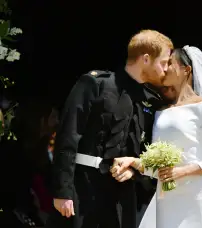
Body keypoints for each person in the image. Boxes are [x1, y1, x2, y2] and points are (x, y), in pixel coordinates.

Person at [112, 46, 202, 228]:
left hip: (198, 198)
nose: (165, 68)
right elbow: (160, 169)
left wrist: (182, 171)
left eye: (170, 64)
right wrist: (134, 162)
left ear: (186, 70)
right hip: (167, 201)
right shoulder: (161, 112)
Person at [45, 29, 173, 228]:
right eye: (163, 62)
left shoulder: (150, 101)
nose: (166, 69)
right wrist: (63, 191)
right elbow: (68, 135)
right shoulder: (95, 84)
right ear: (146, 59)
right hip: (83, 188)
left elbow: (146, 150)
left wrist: (134, 172)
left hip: (122, 196)